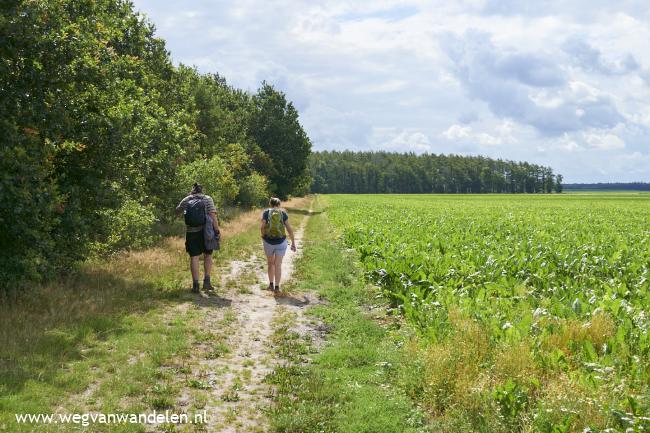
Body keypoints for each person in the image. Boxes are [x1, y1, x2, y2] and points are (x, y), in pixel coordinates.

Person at [175, 183, 220, 293]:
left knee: (194, 257)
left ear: (192, 190)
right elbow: (213, 216)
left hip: (191, 232)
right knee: (208, 255)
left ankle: (195, 285)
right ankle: (207, 282)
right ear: (202, 190)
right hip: (206, 232)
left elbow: (177, 211)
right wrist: (217, 230)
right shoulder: (208, 199)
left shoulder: (186, 199)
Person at [260, 197, 296, 292]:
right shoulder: (283, 213)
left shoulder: (266, 213)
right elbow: (289, 229)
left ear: (270, 204)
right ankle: (277, 287)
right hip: (281, 242)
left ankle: (271, 285)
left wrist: (264, 236)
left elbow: (262, 227)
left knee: (270, 263)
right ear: (279, 204)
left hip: (268, 241)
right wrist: (293, 243)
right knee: (278, 265)